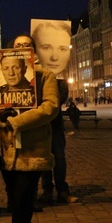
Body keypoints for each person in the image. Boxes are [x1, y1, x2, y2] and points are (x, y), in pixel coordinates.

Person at [0, 35, 59, 223]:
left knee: (24, 196)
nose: (12, 71)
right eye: (17, 46)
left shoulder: (45, 76)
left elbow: (50, 107)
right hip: (6, 150)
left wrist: (18, 121)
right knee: (15, 198)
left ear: (31, 54)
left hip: (32, 150)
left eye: (26, 46)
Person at [32, 22, 72, 205]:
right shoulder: (33, 77)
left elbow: (58, 100)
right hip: (40, 125)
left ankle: (62, 189)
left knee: (60, 158)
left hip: (55, 124)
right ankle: (47, 190)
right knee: (44, 159)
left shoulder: (59, 79)